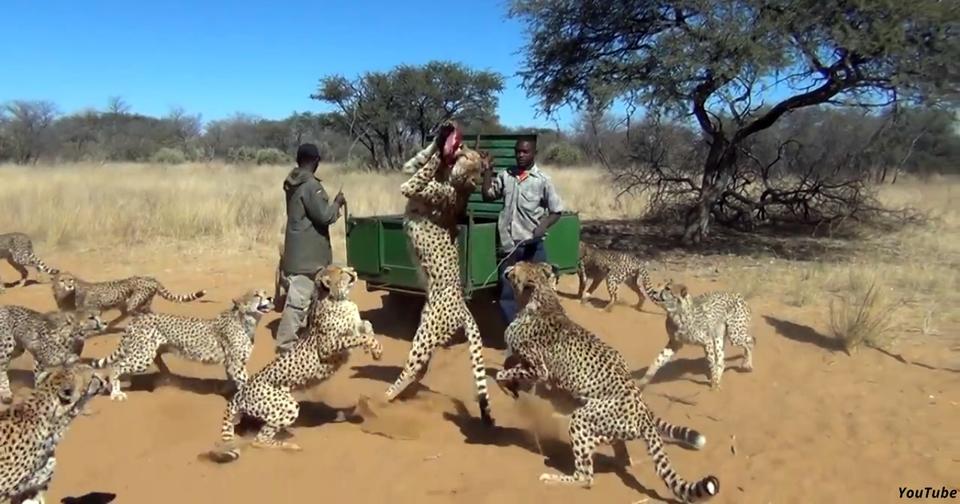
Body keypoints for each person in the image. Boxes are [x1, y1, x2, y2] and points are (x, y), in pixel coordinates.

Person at [481, 137, 564, 327]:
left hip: (532, 248)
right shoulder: (506, 176)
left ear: (534, 153)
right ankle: (514, 338)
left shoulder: (543, 181)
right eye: (517, 151)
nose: (520, 155)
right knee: (508, 295)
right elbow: (488, 196)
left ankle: (541, 336)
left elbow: (556, 211)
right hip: (509, 247)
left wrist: (542, 226)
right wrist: (487, 171)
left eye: (525, 152)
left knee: (540, 294)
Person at [275, 143, 346, 354]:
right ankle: (285, 348)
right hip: (309, 255)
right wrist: (337, 203)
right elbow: (324, 216)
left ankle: (308, 340)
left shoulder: (293, 182)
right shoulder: (310, 185)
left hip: (298, 251)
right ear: (315, 161)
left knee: (309, 300)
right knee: (297, 304)